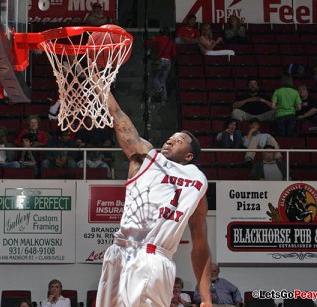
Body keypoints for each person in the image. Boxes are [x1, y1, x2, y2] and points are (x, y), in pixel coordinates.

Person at [95, 90, 212, 307]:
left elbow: (200, 243)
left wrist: (206, 298)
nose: (170, 141)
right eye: (170, 138)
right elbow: (117, 115)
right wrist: (101, 85)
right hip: (118, 252)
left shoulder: (197, 181)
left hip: (152, 257)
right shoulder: (148, 159)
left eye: (178, 140)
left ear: (189, 156)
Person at [145, 26, 177, 103]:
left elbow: (147, 43)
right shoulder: (171, 41)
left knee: (155, 78)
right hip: (168, 62)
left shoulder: (159, 38)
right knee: (163, 79)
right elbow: (174, 54)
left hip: (160, 61)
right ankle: (164, 98)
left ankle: (159, 87)